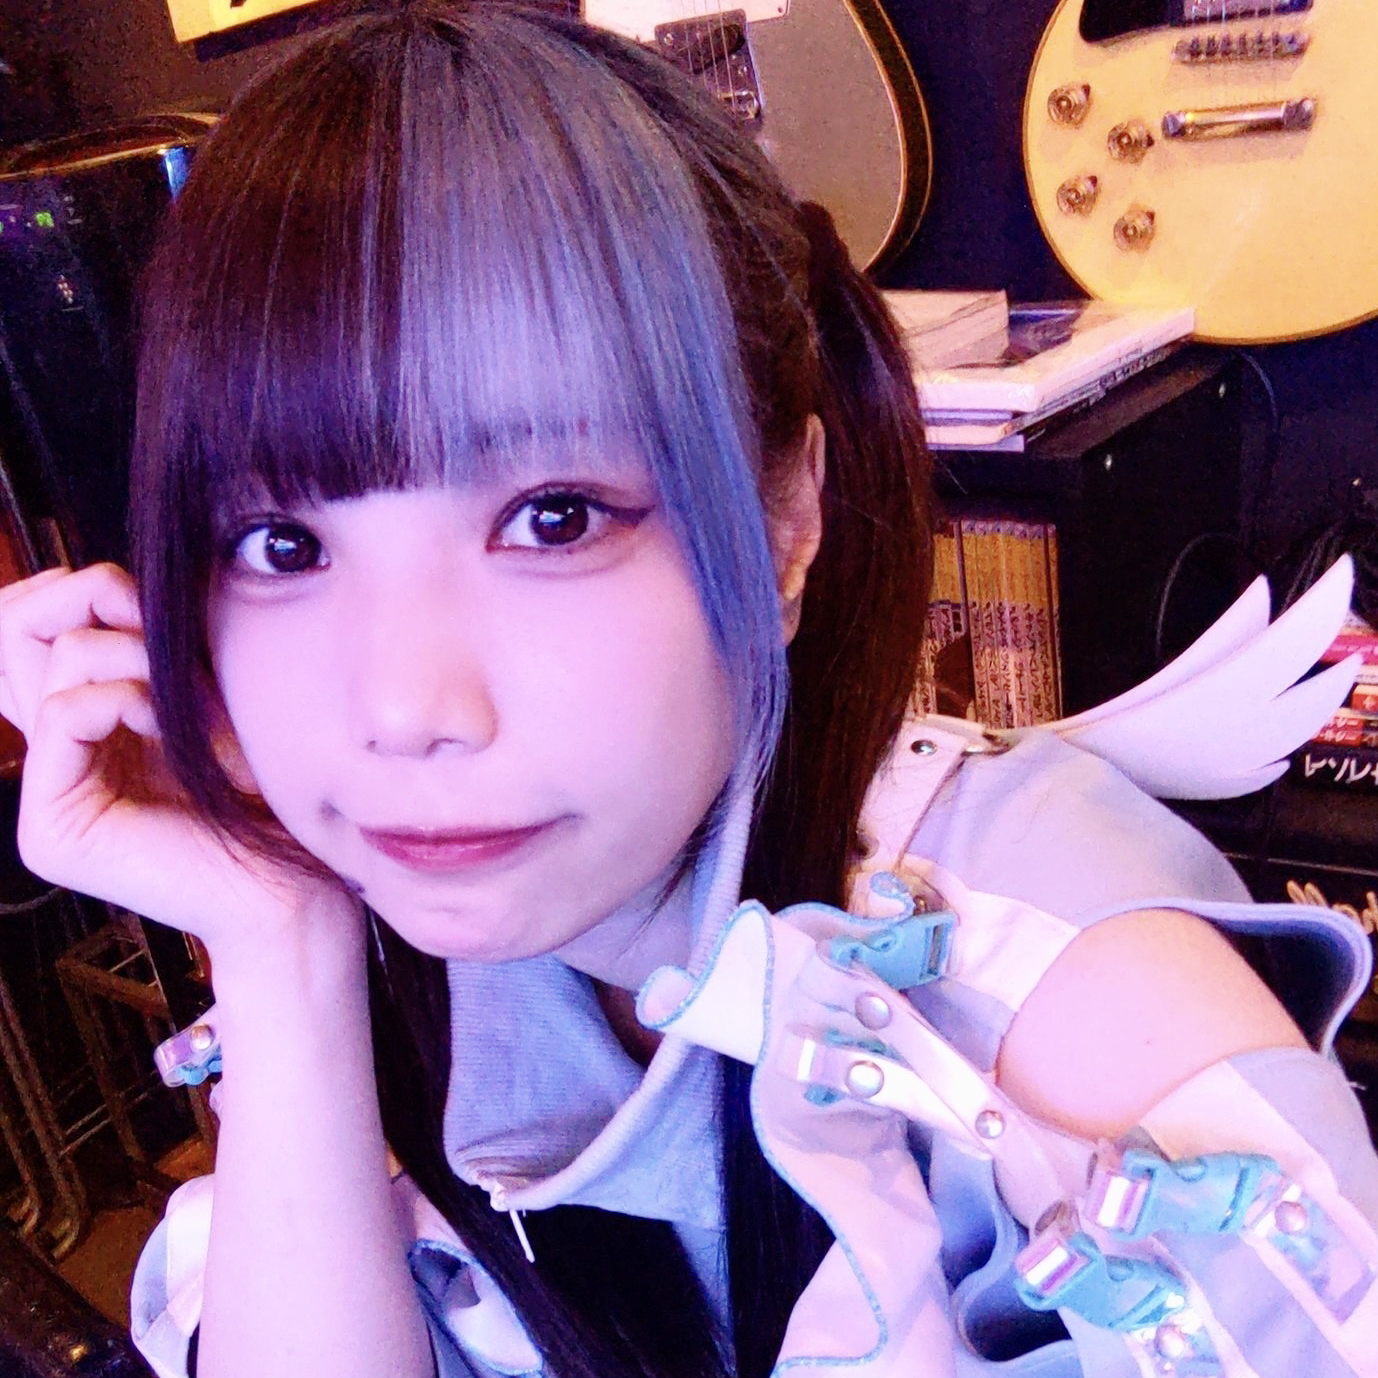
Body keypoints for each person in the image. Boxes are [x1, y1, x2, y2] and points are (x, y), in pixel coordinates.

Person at [0, 5, 1373, 1377]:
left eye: (552, 519)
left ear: (786, 521)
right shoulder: (393, 940)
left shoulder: (1063, 999)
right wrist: (278, 947)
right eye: (281, 546)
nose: (404, 711)